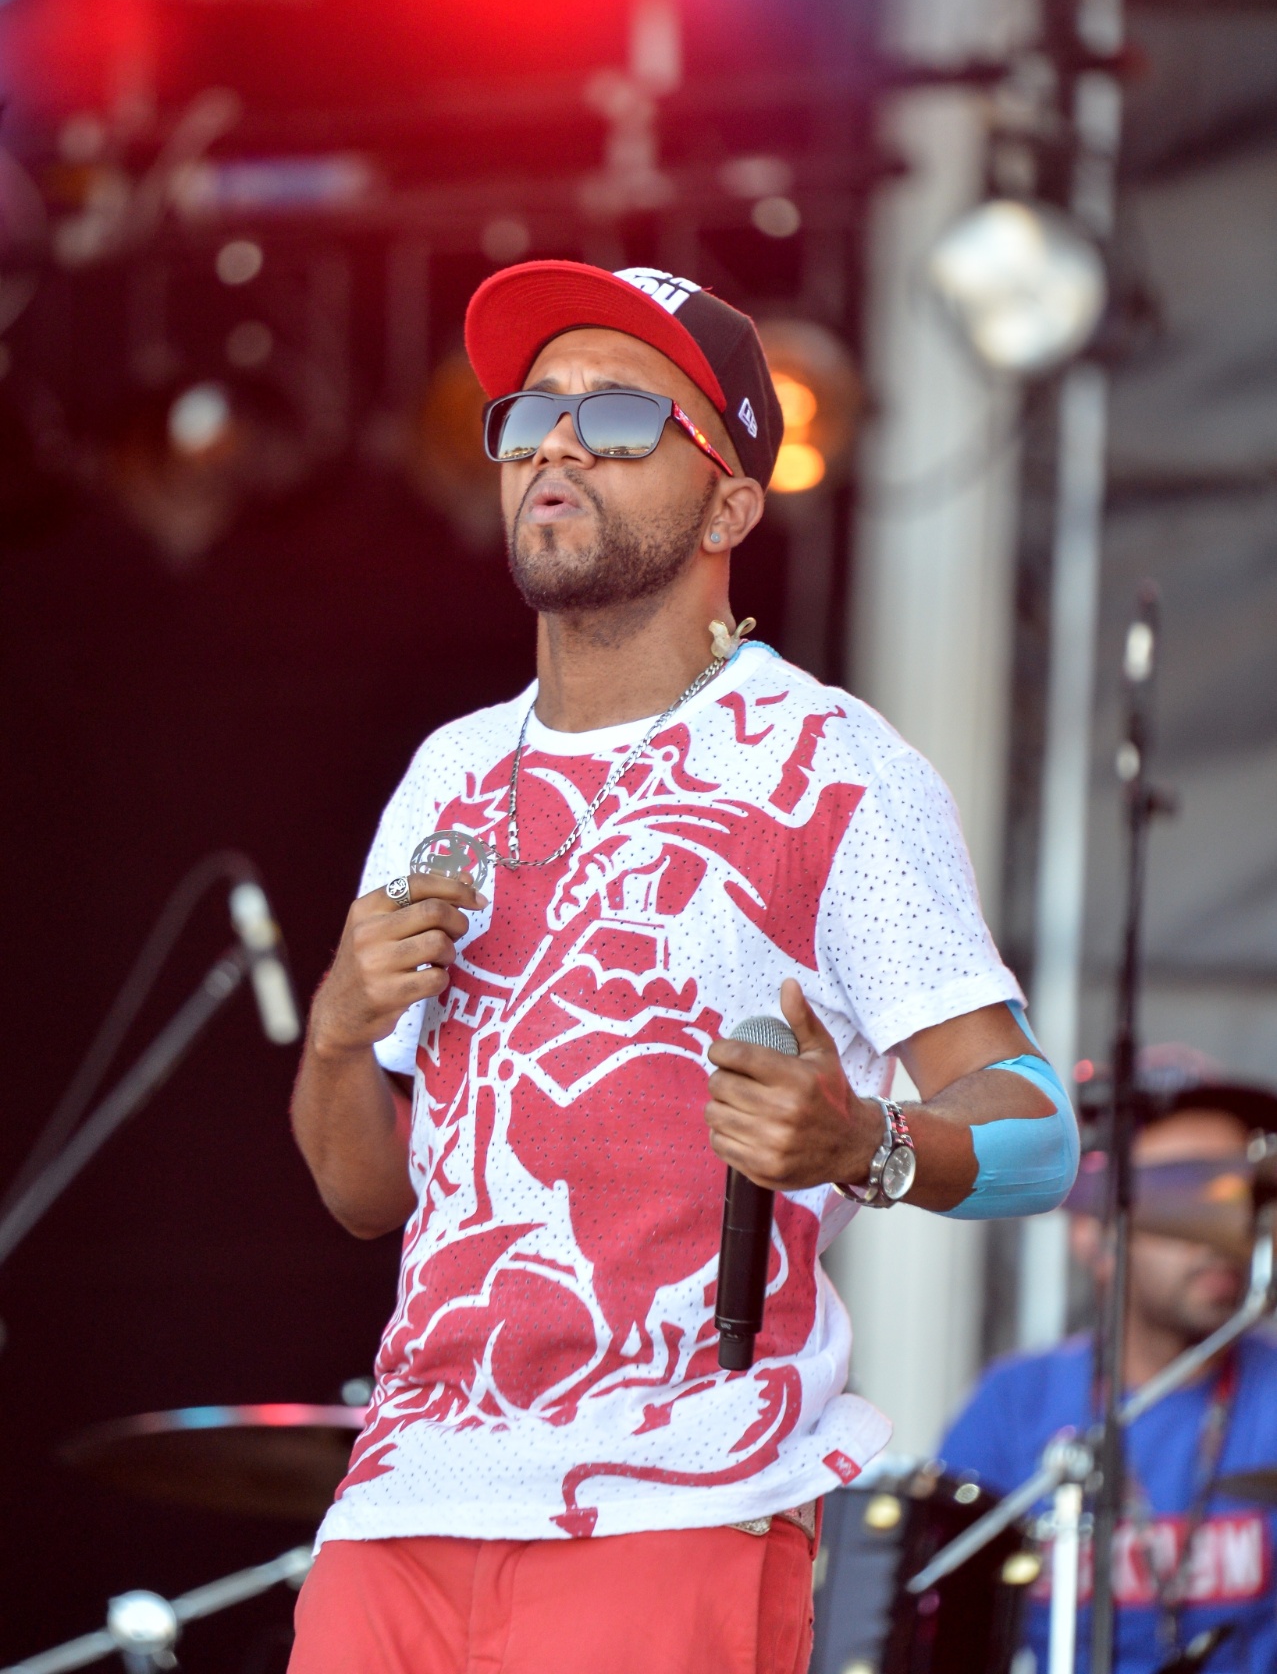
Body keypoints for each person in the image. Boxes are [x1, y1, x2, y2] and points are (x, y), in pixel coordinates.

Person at [288, 260, 1080, 1674]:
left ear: (729, 500)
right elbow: (363, 1193)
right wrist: (341, 1034)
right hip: (404, 1493)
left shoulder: (830, 768)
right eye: (532, 410)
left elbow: (1039, 1133)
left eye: (621, 419)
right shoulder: (449, 775)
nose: (555, 442)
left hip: (682, 1493)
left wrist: (867, 1142)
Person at [942, 1057, 1277, 1674]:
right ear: (1094, 1235)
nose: (1225, 1234)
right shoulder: (1015, 1402)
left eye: (1244, 1200)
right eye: (1187, 1200)